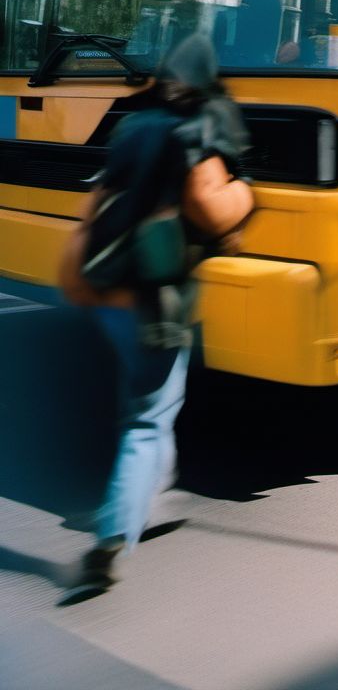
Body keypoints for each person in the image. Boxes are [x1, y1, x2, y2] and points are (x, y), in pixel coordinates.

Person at [58, 34, 254, 600]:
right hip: (155, 296)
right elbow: (207, 205)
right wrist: (243, 192)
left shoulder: (133, 123)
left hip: (109, 289)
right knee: (147, 418)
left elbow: (93, 208)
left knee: (150, 404)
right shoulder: (197, 126)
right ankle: (109, 541)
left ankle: (154, 495)